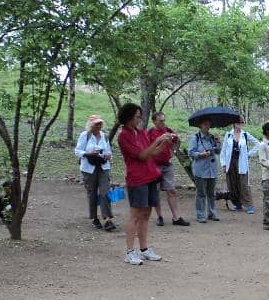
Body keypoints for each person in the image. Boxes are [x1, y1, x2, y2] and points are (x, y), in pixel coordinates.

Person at [116, 103, 174, 265]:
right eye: (137, 116)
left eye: (140, 116)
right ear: (128, 118)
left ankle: (144, 249)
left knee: (146, 215)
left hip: (150, 176)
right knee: (135, 215)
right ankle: (129, 251)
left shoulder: (141, 133)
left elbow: (152, 152)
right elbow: (141, 155)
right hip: (137, 179)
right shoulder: (124, 136)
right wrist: (158, 140)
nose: (140, 119)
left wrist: (165, 143)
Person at [74, 114, 116, 231]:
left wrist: (107, 156)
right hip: (88, 168)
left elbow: (109, 152)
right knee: (92, 193)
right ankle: (94, 217)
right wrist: (88, 154)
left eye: (100, 124)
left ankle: (108, 219)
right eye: (96, 124)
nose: (98, 126)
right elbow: (77, 151)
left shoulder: (104, 136)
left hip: (103, 167)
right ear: (91, 125)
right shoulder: (85, 135)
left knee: (105, 192)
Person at [146, 111, 189, 227]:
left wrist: (173, 149)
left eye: (164, 120)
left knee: (172, 190)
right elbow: (147, 149)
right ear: (154, 121)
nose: (163, 123)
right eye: (160, 121)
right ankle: (159, 216)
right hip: (154, 166)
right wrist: (161, 140)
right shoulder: (149, 132)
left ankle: (176, 217)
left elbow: (177, 142)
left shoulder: (168, 130)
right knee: (155, 191)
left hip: (167, 165)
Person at [219, 114, 259, 213]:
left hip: (241, 162)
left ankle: (249, 205)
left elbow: (258, 144)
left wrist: (248, 154)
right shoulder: (228, 135)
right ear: (234, 123)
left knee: (244, 184)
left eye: (242, 122)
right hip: (230, 162)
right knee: (232, 184)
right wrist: (223, 164)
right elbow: (223, 151)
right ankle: (237, 204)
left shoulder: (245, 134)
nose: (241, 124)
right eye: (238, 122)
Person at [189, 118, 221, 223]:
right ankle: (200, 214)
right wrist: (200, 154)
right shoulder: (196, 138)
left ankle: (212, 212)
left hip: (212, 169)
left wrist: (218, 142)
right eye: (205, 124)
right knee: (201, 193)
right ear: (200, 126)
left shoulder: (212, 138)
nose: (208, 126)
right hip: (200, 170)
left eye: (209, 124)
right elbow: (191, 153)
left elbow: (218, 151)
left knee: (211, 193)